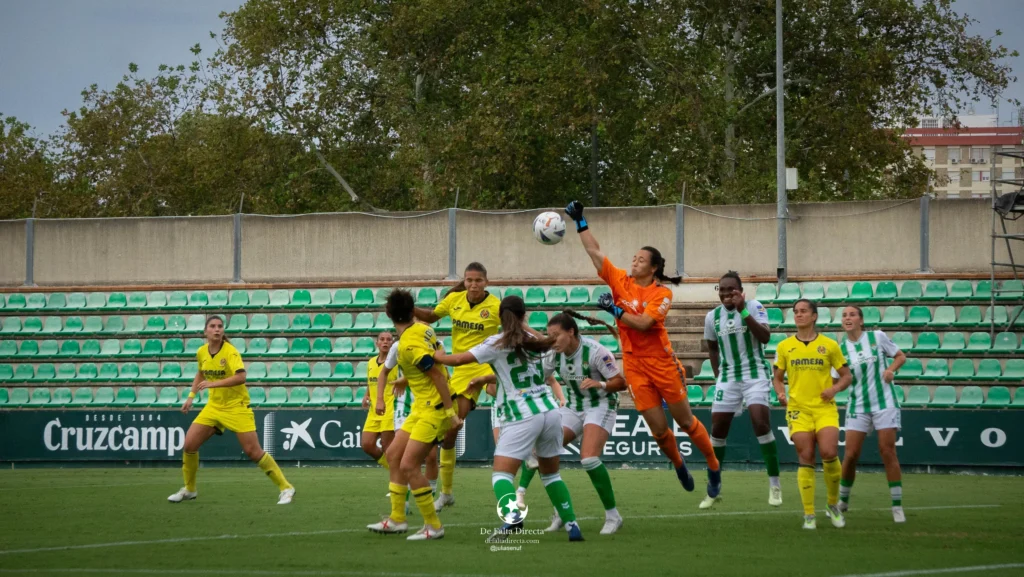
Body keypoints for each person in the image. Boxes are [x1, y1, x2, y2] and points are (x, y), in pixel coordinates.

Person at [563, 200, 721, 495]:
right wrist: (580, 222)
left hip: (661, 362)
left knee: (685, 421)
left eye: (640, 259)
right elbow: (595, 253)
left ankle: (713, 465)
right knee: (660, 431)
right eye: (633, 257)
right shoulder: (620, 280)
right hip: (634, 364)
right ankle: (678, 464)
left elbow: (645, 323)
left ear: (654, 267)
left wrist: (617, 312)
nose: (634, 261)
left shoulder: (661, 293)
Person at [433, 295, 584, 542]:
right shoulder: (537, 340)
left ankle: (513, 518)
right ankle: (572, 526)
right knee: (552, 475)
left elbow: (458, 360)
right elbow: (546, 361)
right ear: (524, 316)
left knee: (501, 475)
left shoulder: (495, 343)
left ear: (499, 318)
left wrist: (437, 355)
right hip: (550, 411)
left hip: (521, 414)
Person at [516, 311, 625, 535]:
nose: (552, 340)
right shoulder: (555, 354)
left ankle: (613, 515)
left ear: (571, 332)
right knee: (542, 451)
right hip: (574, 406)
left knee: (589, 458)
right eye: (549, 335)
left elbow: (620, 382)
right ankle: (561, 513)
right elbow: (539, 377)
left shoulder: (596, 352)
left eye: (556, 335)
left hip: (600, 404)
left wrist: (599, 384)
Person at [367, 290, 462, 541]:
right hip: (422, 406)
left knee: (409, 464)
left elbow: (438, 376)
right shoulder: (422, 329)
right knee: (394, 455)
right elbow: (438, 359)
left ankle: (434, 526)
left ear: (388, 314)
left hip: (436, 408)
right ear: (413, 311)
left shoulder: (408, 345)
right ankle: (397, 518)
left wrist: (451, 413)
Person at [168, 316, 294, 504]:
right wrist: (191, 397)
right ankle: (190, 489)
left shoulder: (230, 352)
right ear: (206, 331)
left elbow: (241, 377)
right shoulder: (202, 352)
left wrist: (214, 384)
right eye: (212, 326)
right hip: (214, 407)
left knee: (253, 451)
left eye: (220, 326)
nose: (217, 329)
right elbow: (200, 373)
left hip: (237, 407)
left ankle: (286, 488)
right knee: (189, 445)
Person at [413, 263, 501, 512]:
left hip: (486, 364)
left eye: (478, 280)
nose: (473, 284)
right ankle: (447, 493)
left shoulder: (496, 306)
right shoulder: (454, 300)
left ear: (487, 282)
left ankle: (525, 443)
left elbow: (516, 328)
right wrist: (410, 309)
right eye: (469, 280)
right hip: (461, 369)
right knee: (451, 431)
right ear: (464, 281)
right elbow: (430, 317)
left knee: (494, 393)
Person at [701, 272, 782, 509]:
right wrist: (718, 377)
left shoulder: (754, 306)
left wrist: (743, 310)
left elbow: (765, 337)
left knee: (760, 422)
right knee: (717, 430)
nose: (726, 294)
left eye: (731, 290)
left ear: (740, 290)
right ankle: (714, 487)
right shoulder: (712, 317)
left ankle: (775, 485)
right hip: (728, 378)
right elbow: (712, 349)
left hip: (755, 374)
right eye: (722, 290)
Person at [772, 299, 853, 530]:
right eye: (796, 312)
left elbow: (846, 375)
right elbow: (777, 378)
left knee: (828, 451)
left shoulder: (829, 345)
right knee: (805, 456)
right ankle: (809, 514)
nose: (798, 315)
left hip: (824, 408)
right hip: (798, 409)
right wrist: (780, 394)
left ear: (814, 316)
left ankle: (831, 505)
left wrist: (835, 388)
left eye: (803, 311)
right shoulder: (785, 347)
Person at [833, 305, 908, 523]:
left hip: (884, 402)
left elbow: (901, 356)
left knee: (887, 451)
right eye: (844, 315)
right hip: (857, 405)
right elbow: (836, 381)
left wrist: (891, 369)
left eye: (852, 314)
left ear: (861, 320)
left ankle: (896, 506)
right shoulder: (840, 350)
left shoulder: (877, 337)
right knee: (851, 455)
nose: (848, 318)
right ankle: (843, 501)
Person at [376, 326, 440, 497]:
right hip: (404, 404)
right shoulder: (398, 346)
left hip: (428, 403)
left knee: (431, 456)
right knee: (398, 454)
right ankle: (401, 501)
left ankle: (431, 492)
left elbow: (439, 372)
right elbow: (384, 372)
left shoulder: (435, 344)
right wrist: (380, 399)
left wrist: (406, 379)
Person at [362, 332, 399, 469]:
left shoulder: (396, 362)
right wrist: (367, 395)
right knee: (367, 444)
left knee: (388, 447)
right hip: (374, 410)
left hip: (390, 408)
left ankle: (398, 482)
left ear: (392, 344)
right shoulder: (371, 362)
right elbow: (371, 381)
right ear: (377, 343)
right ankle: (396, 473)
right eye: (382, 339)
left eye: (389, 340)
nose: (385, 342)